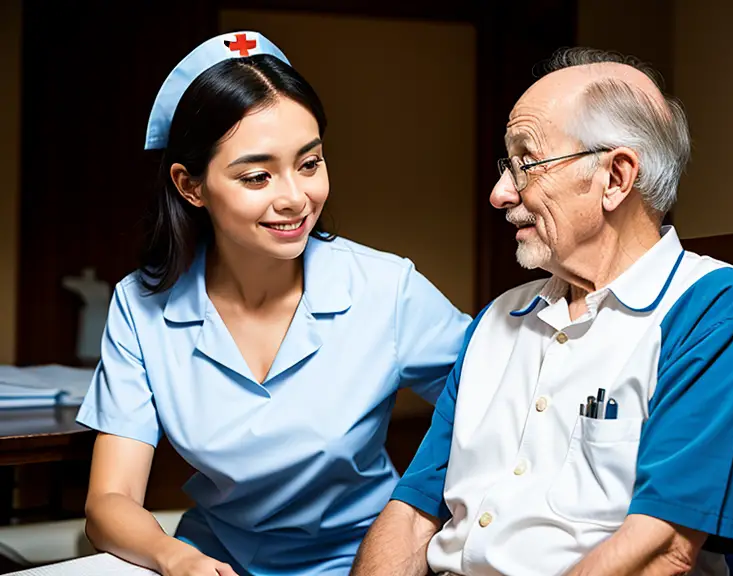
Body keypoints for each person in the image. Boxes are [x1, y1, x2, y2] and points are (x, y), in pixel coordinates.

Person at [352, 47, 733, 576]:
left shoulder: (714, 309)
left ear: (616, 177)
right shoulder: (497, 319)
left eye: (526, 163)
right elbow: (413, 515)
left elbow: (663, 549)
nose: (500, 194)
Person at [76, 31, 471, 576]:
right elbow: (109, 501)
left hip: (364, 562)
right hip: (213, 560)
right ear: (190, 186)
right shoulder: (141, 308)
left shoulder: (386, 288)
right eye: (257, 176)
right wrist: (177, 559)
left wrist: (422, 506)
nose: (294, 197)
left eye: (309, 164)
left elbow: (501, 400)